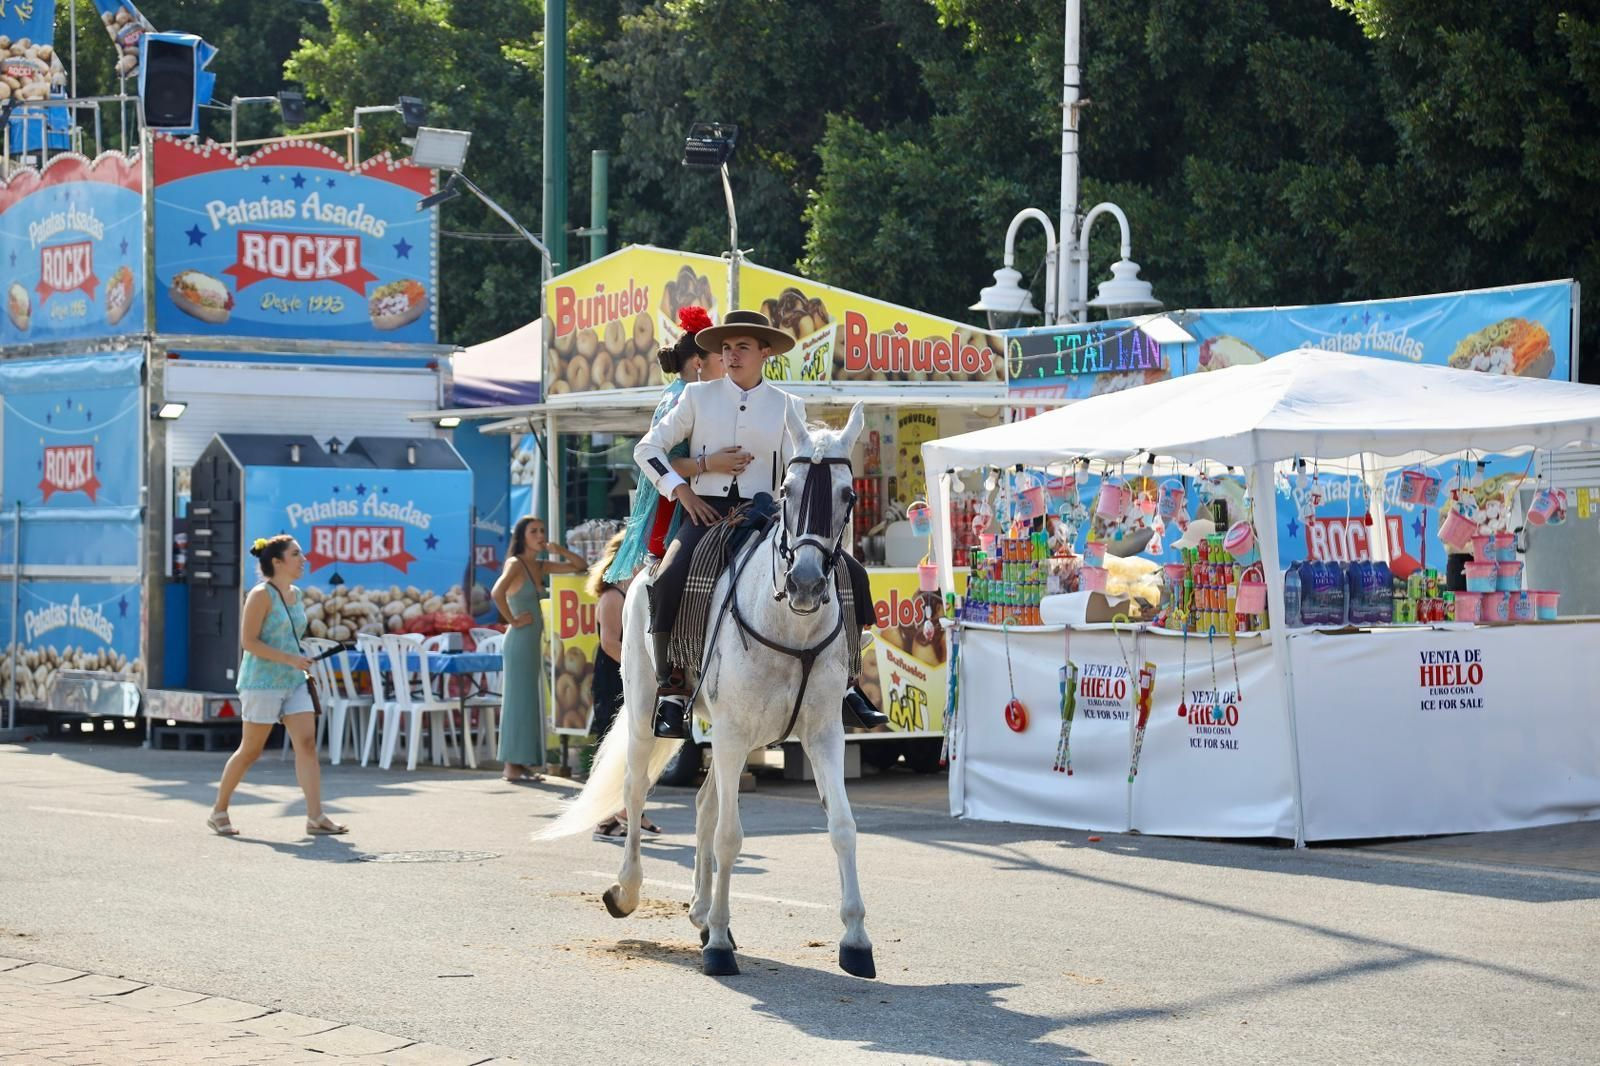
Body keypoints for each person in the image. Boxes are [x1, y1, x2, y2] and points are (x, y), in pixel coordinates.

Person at [634, 308, 890, 739]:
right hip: (706, 512)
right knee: (667, 578)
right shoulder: (697, 397)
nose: (732, 356)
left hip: (768, 515)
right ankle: (673, 689)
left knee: (853, 573)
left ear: (764, 352)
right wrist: (684, 491)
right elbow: (648, 449)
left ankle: (848, 682)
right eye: (727, 348)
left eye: (743, 348)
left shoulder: (790, 406)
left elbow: (802, 467)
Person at [208, 534, 346, 837]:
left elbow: (290, 636)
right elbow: (249, 642)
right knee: (251, 750)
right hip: (262, 682)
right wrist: (289, 658)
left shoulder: (296, 593)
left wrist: (298, 658)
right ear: (277, 561)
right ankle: (219, 809)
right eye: (296, 554)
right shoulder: (260, 595)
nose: (303, 559)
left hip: (294, 681)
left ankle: (315, 816)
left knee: (307, 744)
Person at [606, 305, 745, 582]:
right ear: (698, 363)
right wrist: (709, 464)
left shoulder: (681, 393)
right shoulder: (682, 398)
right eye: (720, 358)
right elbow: (661, 458)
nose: (727, 366)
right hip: (677, 513)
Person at [492, 516, 588, 782]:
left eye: (542, 530)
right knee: (517, 701)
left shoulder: (540, 564)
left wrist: (560, 550)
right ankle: (511, 766)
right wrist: (512, 620)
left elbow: (580, 566)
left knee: (528, 701)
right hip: (519, 640)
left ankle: (521, 763)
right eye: (533, 531)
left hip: (532, 640)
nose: (540, 534)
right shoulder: (515, 564)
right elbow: (496, 593)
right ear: (522, 537)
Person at [587, 531, 662, 838]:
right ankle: (618, 815)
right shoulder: (612, 596)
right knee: (618, 744)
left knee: (632, 745)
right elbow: (609, 643)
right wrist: (641, 669)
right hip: (614, 677)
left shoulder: (628, 593)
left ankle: (619, 816)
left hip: (624, 675)